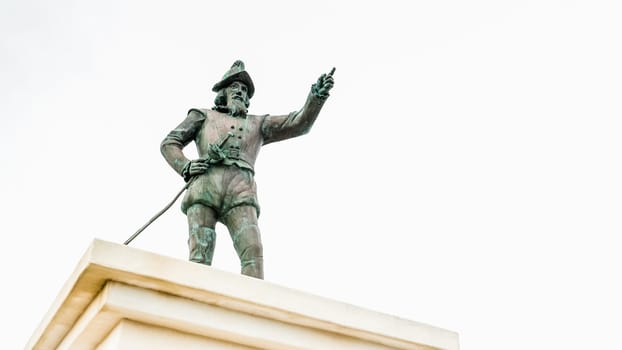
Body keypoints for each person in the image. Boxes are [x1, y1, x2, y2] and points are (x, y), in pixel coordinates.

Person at [160, 60, 334, 279]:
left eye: (244, 90)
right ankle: (193, 300)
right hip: (205, 186)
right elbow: (169, 143)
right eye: (235, 87)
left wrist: (316, 97)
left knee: (253, 250)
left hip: (241, 189)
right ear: (223, 92)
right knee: (201, 253)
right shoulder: (202, 116)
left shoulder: (259, 124)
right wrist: (186, 165)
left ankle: (253, 307)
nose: (240, 92)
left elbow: (299, 123)